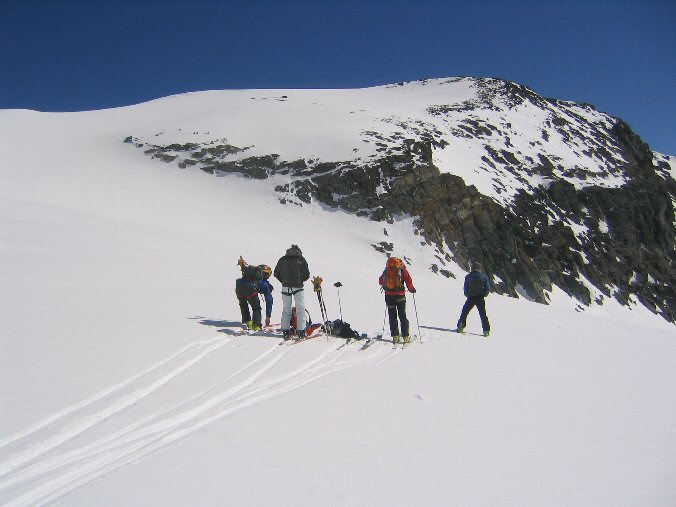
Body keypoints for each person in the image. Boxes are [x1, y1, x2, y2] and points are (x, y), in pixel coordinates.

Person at [274, 245, 310, 340]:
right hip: (298, 287)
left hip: (286, 287)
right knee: (300, 310)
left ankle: (286, 330)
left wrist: (284, 281)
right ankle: (301, 331)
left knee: (286, 309)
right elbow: (307, 274)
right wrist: (300, 280)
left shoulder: (282, 259)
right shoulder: (301, 259)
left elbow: (276, 273)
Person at [379, 257, 416, 344]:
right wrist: (411, 289)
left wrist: (386, 287)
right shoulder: (402, 270)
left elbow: (380, 281)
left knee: (392, 317)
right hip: (400, 297)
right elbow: (408, 280)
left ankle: (395, 337)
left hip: (389, 296)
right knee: (402, 316)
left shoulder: (387, 270)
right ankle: (406, 336)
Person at [236, 258, 274, 331]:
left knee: (243, 304)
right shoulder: (265, 284)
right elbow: (269, 300)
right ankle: (256, 326)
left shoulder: (251, 272)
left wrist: (242, 264)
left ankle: (248, 322)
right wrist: (268, 316)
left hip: (239, 286)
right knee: (256, 308)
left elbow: (244, 268)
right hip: (249, 288)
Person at [456, 261, 491, 337]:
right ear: (479, 268)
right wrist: (483, 294)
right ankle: (486, 331)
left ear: (472, 268)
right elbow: (487, 288)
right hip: (480, 297)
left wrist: (468, 294)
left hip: (470, 297)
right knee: (483, 314)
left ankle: (461, 327)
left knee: (464, 312)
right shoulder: (484, 276)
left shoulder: (468, 276)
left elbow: (465, 288)